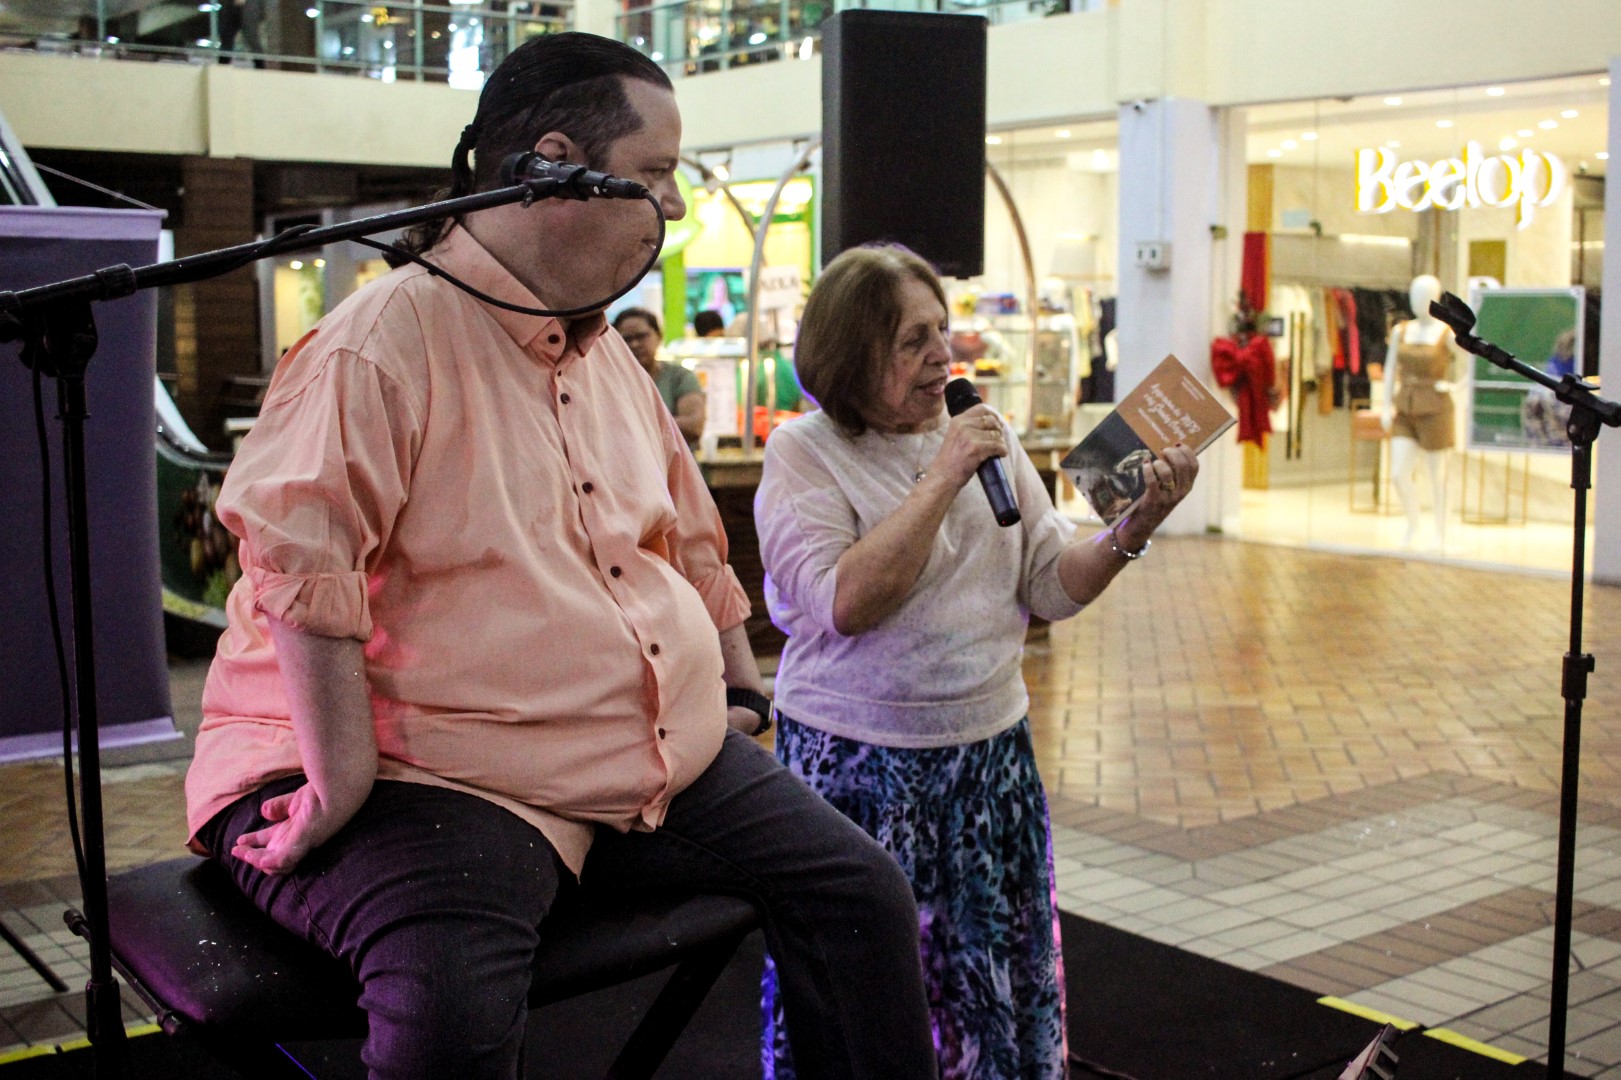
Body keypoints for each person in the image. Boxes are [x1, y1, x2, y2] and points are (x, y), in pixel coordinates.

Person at [184, 33, 936, 1080]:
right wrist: (340, 783)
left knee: (860, 896)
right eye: (656, 175)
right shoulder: (378, 343)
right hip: (429, 770)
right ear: (552, 167)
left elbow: (680, 532)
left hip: (633, 750)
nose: (674, 207)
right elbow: (301, 569)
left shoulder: (605, 351)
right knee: (450, 1012)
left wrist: (737, 688)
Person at [754, 243, 1198, 1080]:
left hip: (986, 758)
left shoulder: (985, 434)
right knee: (869, 999)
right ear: (851, 353)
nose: (942, 355)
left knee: (984, 989)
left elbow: (1050, 583)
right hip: (860, 768)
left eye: (942, 331)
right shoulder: (803, 452)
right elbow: (844, 602)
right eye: (912, 341)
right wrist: (942, 474)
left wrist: (1129, 529)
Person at [1381, 274, 1455, 550]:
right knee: (1398, 473)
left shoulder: (1446, 333)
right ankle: (1413, 525)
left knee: (1438, 477)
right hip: (1405, 405)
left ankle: (1441, 533)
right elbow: (1390, 368)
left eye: (1424, 295)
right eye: (1414, 294)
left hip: (1436, 406)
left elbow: (1473, 364)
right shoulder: (1401, 331)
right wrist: (1385, 405)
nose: (1418, 301)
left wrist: (1455, 387)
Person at [614, 306, 705, 446]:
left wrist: (632, 425)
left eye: (641, 336)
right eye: (626, 339)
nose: (634, 344)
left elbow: (694, 427)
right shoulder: (611, 382)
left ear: (659, 336)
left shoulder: (680, 377)